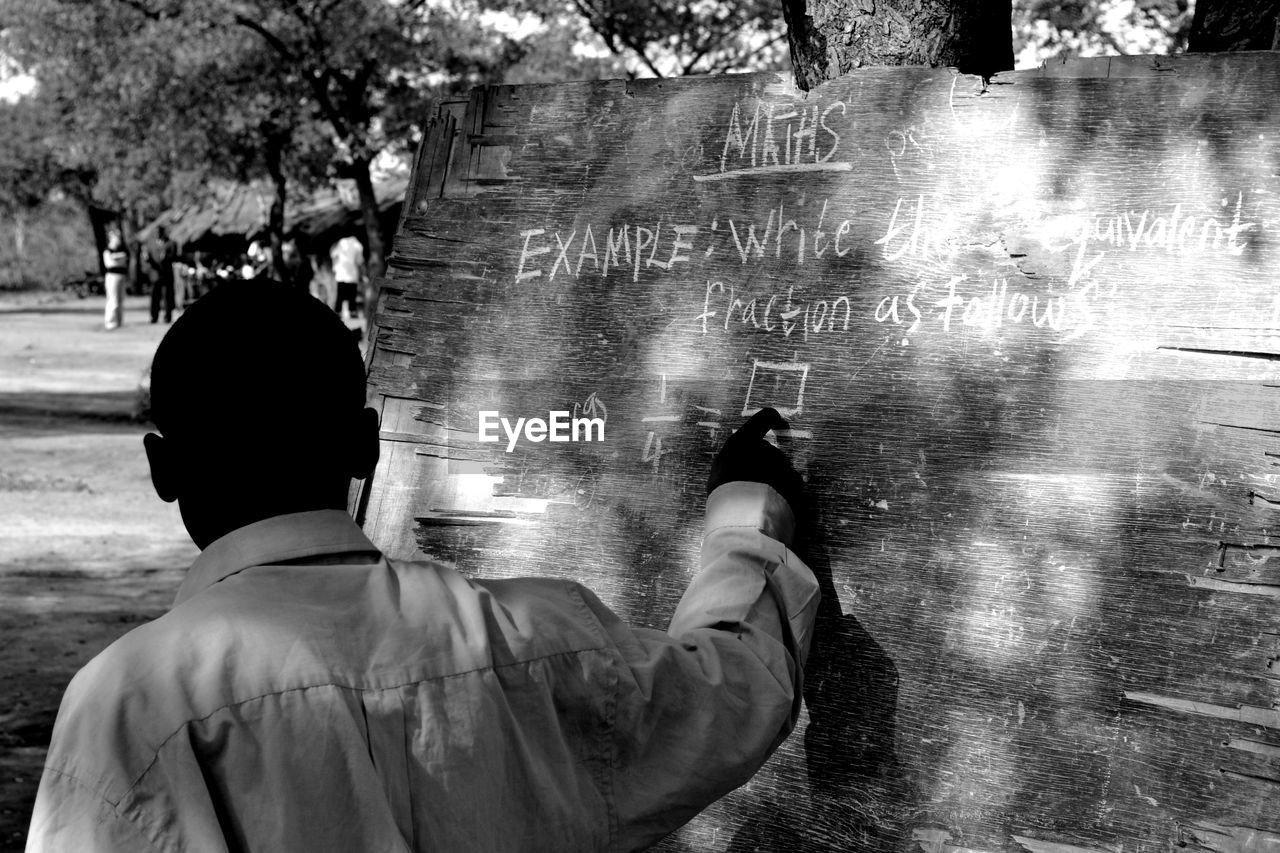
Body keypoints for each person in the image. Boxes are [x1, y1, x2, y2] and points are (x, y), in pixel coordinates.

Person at [25, 281, 819, 852]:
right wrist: (747, 513)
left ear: (164, 471)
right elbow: (733, 690)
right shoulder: (540, 638)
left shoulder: (134, 704)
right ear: (367, 447)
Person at [145, 226, 176, 324]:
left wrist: (164, 255)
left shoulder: (171, 243)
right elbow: (148, 257)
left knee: (168, 296)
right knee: (155, 296)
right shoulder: (151, 244)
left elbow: (174, 257)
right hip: (155, 274)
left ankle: (168, 316)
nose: (158, 233)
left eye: (159, 232)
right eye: (156, 232)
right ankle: (154, 317)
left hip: (167, 273)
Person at [330, 233, 364, 319]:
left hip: (341, 273)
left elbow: (333, 255)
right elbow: (359, 261)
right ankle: (352, 312)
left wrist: (334, 266)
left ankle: (338, 312)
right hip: (352, 274)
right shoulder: (358, 245)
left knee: (340, 294)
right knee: (352, 295)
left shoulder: (341, 242)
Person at [101, 231, 128, 331]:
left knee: (120, 300)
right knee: (113, 300)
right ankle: (110, 322)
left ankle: (119, 322)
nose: (119, 240)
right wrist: (119, 257)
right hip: (112, 276)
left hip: (121, 275)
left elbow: (123, 258)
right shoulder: (108, 250)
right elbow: (111, 262)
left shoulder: (121, 250)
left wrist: (119, 257)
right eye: (117, 238)